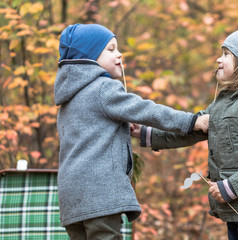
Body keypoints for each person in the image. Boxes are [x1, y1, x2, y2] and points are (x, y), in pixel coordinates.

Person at [54, 23, 209, 240]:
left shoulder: (67, 100)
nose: (119, 54)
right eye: (111, 49)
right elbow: (147, 110)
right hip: (100, 194)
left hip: (72, 198)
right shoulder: (103, 88)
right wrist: (191, 121)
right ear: (89, 57)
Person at [132, 26, 238, 240]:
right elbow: (191, 129)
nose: (218, 59)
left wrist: (233, 186)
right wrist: (146, 133)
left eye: (226, 54)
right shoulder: (224, 104)